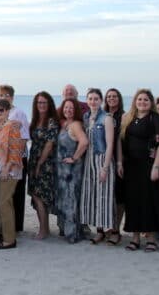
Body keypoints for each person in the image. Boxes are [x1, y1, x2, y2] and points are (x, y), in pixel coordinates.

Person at [118, 89, 159, 253]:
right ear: (135, 101)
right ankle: (135, 238)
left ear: (151, 102)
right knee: (133, 202)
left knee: (150, 201)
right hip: (131, 167)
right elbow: (121, 141)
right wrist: (120, 162)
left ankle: (151, 239)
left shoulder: (155, 119)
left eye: (146, 99)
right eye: (139, 99)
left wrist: (156, 167)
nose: (142, 102)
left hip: (149, 166)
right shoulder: (128, 118)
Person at [0, 98, 25, 250]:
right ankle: (6, 234)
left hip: (9, 171)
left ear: (8, 111)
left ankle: (10, 240)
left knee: (4, 203)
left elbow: (16, 150)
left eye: (2, 109)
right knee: (1, 204)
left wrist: (7, 168)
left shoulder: (12, 126)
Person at [81, 88, 116, 244]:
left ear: (101, 101)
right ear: (87, 100)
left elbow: (110, 144)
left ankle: (111, 231)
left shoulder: (106, 118)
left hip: (102, 159)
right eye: (90, 98)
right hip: (89, 160)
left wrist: (105, 167)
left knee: (106, 196)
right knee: (93, 196)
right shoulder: (86, 117)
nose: (93, 101)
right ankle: (99, 230)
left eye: (96, 98)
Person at [53, 98, 88, 243]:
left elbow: (84, 142)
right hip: (61, 170)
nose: (68, 110)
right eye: (66, 107)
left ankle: (72, 234)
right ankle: (66, 230)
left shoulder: (75, 124)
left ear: (76, 110)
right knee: (63, 199)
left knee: (71, 200)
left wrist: (74, 158)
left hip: (71, 171)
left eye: (71, 108)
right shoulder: (64, 124)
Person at [0, 85, 30, 234]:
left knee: (17, 194)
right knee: (6, 195)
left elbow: (23, 139)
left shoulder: (19, 113)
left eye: (7, 95)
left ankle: (16, 227)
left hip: (17, 160)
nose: (5, 98)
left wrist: (16, 160)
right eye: (2, 95)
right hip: (2, 161)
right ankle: (8, 226)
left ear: (12, 97)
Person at [27, 91, 59, 240]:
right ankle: (44, 228)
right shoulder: (35, 120)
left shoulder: (51, 121)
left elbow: (50, 144)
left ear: (49, 104)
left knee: (39, 195)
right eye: (39, 102)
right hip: (33, 160)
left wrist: (40, 163)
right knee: (36, 195)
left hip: (44, 163)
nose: (41, 105)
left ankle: (43, 231)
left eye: (44, 103)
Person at [105, 88, 126, 246]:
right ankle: (109, 226)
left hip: (120, 158)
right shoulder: (102, 115)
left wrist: (120, 161)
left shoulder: (124, 116)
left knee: (119, 196)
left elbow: (121, 140)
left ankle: (116, 229)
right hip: (103, 160)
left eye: (114, 96)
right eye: (109, 96)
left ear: (119, 99)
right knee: (108, 195)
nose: (112, 99)